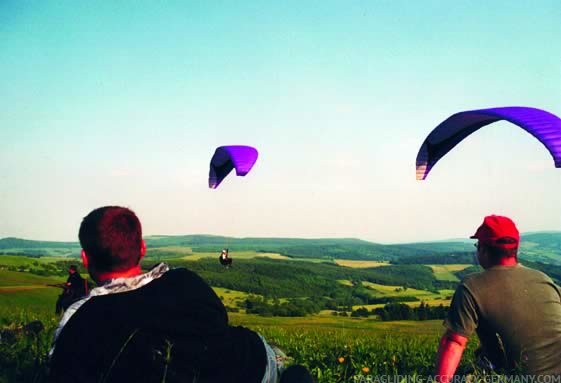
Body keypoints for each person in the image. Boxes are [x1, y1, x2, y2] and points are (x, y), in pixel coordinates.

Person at [48, 206, 295, 383]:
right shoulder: (185, 280)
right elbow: (219, 321)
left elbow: (62, 368)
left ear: (85, 258)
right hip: (252, 366)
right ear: (142, 248)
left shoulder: (81, 318)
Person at [435, 215, 561, 381]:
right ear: (515, 249)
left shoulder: (471, 286)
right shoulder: (544, 279)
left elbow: (454, 343)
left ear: (484, 250)